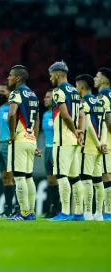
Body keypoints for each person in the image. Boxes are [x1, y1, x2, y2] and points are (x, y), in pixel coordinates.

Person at [48, 61, 85, 221]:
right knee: (75, 177)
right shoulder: (76, 92)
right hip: (75, 141)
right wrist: (80, 133)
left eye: (51, 74)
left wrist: (73, 130)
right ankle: (78, 213)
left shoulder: (58, 91)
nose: (50, 78)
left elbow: (64, 114)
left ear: (57, 74)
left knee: (62, 176)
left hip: (63, 139)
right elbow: (82, 115)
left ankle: (64, 212)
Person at [6, 65, 40, 220]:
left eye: (10, 75)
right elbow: (37, 120)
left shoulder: (16, 93)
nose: (8, 78)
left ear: (18, 78)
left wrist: (12, 134)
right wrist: (35, 139)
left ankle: (24, 213)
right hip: (31, 139)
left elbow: (12, 113)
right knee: (28, 177)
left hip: (19, 139)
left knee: (19, 177)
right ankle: (31, 211)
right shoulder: (33, 95)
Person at [76, 74, 107, 221]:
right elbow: (105, 125)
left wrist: (96, 142)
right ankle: (99, 214)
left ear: (81, 86)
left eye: (76, 86)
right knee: (98, 180)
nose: (76, 89)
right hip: (100, 147)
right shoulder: (99, 101)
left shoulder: (84, 102)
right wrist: (103, 142)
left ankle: (88, 213)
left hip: (89, 145)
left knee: (87, 179)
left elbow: (87, 124)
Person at [0, 82, 15, 218]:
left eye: (3, 92)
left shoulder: (14, 108)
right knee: (5, 178)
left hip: (10, 144)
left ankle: (14, 208)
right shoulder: (1, 108)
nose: (0, 94)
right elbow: (0, 129)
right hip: (1, 145)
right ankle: (7, 209)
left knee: (12, 177)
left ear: (11, 93)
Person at [95, 67, 111, 221]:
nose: (95, 79)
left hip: (106, 141)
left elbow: (106, 118)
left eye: (97, 76)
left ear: (104, 80)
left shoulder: (103, 95)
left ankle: (108, 212)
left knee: (105, 175)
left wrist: (103, 139)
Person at [42, 90, 60, 218]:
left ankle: (59, 209)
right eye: (45, 96)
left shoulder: (58, 114)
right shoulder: (45, 115)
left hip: (56, 148)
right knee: (51, 181)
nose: (45, 99)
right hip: (47, 149)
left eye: (48, 97)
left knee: (59, 180)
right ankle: (52, 209)